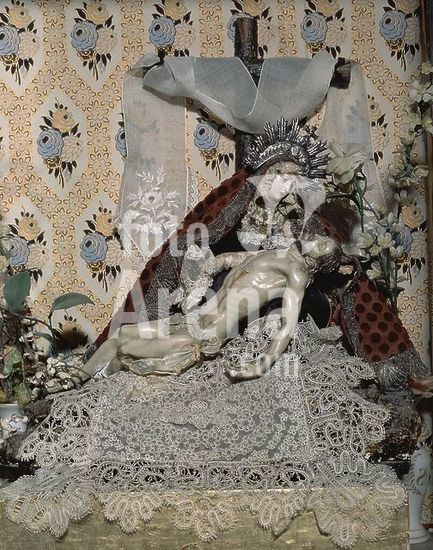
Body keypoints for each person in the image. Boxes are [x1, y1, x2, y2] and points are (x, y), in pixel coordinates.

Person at [76, 234, 340, 383]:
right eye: (320, 238)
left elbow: (288, 324)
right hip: (194, 317)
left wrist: (262, 364)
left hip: (207, 334)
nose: (315, 239)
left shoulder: (298, 271)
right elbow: (230, 259)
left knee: (125, 351)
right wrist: (203, 277)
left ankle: (92, 383)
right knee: (121, 334)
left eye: (321, 246)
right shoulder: (277, 252)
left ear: (316, 262)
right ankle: (77, 380)